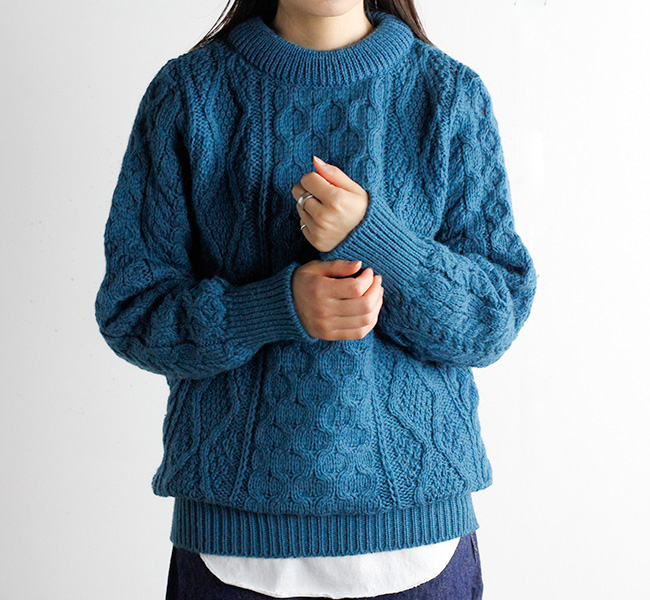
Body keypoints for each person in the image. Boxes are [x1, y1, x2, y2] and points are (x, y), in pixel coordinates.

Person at [94, 0, 537, 598]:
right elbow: (134, 311)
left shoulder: (448, 94)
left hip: (419, 544)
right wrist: (272, 310)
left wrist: (376, 239)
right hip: (233, 547)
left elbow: (492, 318)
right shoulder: (189, 94)